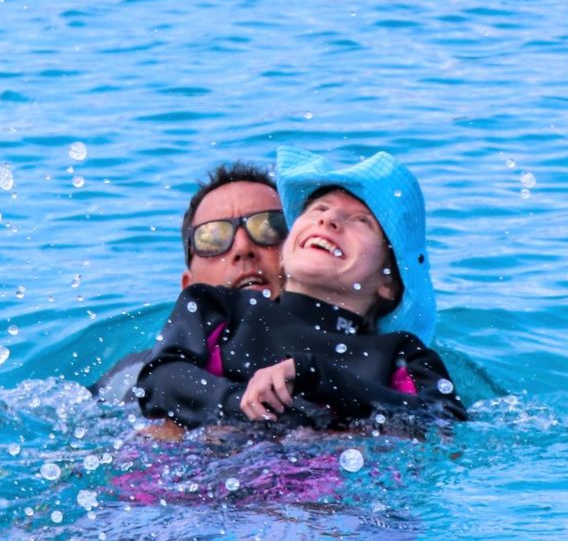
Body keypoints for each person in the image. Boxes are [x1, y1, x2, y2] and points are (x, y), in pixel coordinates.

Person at [134, 148, 466, 431]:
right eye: (318, 210)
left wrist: (314, 374)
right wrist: (244, 405)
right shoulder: (216, 306)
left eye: (361, 221)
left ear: (389, 282)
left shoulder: (400, 353)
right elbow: (159, 380)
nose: (329, 220)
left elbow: (442, 424)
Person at [89, 161, 287, 400]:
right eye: (213, 238)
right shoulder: (137, 377)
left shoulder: (337, 354)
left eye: (270, 228)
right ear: (189, 287)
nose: (243, 248)